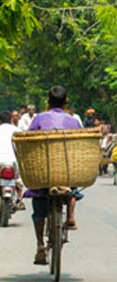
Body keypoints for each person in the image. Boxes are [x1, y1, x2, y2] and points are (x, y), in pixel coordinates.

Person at [25, 86, 82, 265]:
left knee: (38, 202)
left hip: (44, 172)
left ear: (48, 101)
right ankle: (71, 216)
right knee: (73, 187)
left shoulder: (39, 118)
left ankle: (40, 246)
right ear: (66, 101)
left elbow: (28, 138)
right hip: (66, 171)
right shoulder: (73, 120)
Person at [0, 110, 23, 208]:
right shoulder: (17, 131)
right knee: (19, 180)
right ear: (11, 120)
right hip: (13, 160)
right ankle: (19, 199)